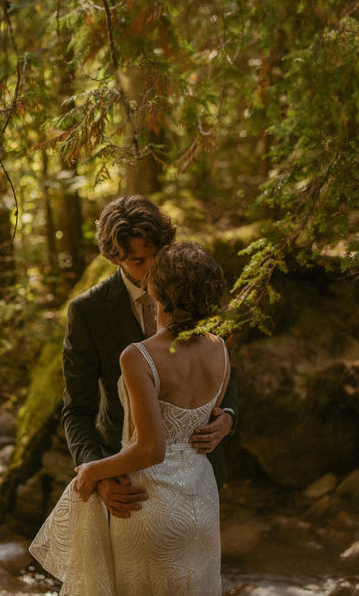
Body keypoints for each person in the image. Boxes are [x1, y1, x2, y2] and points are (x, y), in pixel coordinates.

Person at [30, 242, 232, 596]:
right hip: (198, 496)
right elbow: (191, 428)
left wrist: (93, 470)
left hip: (149, 501)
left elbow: (147, 447)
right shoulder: (220, 348)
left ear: (161, 297)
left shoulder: (139, 355)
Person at [61, 195, 237, 521]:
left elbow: (223, 363)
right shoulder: (88, 312)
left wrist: (228, 416)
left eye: (158, 255)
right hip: (126, 482)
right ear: (115, 260)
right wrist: (97, 474)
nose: (154, 268)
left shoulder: (194, 283)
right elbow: (77, 410)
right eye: (139, 261)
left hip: (200, 472)